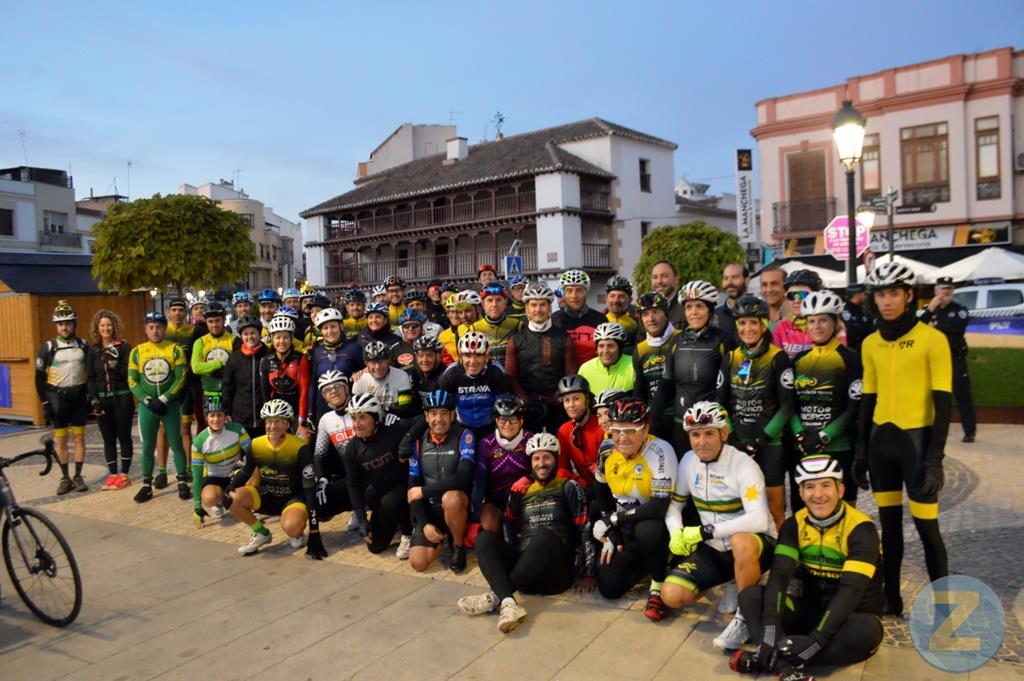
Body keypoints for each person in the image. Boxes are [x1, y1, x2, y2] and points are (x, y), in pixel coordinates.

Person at [732, 455, 883, 680]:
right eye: (810, 487)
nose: (818, 495)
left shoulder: (861, 530)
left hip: (850, 617)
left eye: (826, 485)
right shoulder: (794, 524)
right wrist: (772, 629)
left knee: (868, 630)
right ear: (801, 493)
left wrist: (815, 642)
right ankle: (782, 663)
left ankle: (769, 658)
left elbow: (850, 592)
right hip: (812, 612)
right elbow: (780, 576)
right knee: (750, 595)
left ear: (841, 490)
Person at [854, 260, 950, 616]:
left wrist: (935, 460)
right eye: (880, 294)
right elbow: (868, 399)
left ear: (909, 295)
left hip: (917, 444)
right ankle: (891, 598)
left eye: (893, 293)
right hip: (882, 443)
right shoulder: (870, 343)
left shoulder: (933, 339)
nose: (887, 301)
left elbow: (944, 404)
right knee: (890, 529)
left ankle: (944, 607)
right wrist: (861, 450)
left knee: (928, 530)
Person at [458, 432, 594, 633]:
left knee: (543, 535)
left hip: (556, 573)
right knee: (484, 539)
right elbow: (508, 526)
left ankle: (495, 597)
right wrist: (512, 556)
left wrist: (588, 573)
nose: (541, 463)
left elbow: (585, 528)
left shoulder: (568, 487)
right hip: (526, 574)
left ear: (556, 459)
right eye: (536, 458)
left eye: (547, 458)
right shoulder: (520, 490)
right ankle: (508, 601)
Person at [591, 398, 676, 620]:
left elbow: (658, 507)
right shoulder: (606, 449)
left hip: (655, 525)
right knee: (609, 588)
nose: (622, 438)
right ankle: (649, 563)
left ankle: (658, 584)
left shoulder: (661, 450)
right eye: (616, 431)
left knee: (648, 529)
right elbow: (600, 489)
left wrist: (615, 520)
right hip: (626, 525)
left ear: (645, 429)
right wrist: (612, 529)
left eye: (630, 431)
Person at [717, 295, 795, 530]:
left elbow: (787, 406)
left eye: (753, 322)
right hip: (738, 444)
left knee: (776, 511)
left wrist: (761, 440)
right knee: (742, 509)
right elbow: (720, 403)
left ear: (763, 325)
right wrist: (733, 438)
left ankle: (781, 552)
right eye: (742, 323)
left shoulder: (777, 357)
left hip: (770, 446)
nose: (747, 328)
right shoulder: (732, 358)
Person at [790, 291, 862, 507]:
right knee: (802, 509)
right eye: (812, 321)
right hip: (803, 447)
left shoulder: (850, 358)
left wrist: (824, 436)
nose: (817, 326)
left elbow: (853, 407)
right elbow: (790, 404)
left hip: (838, 447)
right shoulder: (799, 359)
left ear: (836, 322)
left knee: (843, 509)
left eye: (823, 320)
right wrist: (800, 434)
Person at [226, 399, 322, 556]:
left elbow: (309, 489)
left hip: (293, 499)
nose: (272, 426)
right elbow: (245, 472)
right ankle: (261, 533)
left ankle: (297, 534)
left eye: (278, 422)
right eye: (269, 421)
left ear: (287, 424)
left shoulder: (299, 447)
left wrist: (314, 532)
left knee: (291, 527)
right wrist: (228, 489)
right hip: (267, 495)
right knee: (233, 498)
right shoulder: (255, 444)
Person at [650, 280, 729, 452]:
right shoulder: (677, 342)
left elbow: (726, 390)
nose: (693, 312)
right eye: (688, 307)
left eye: (699, 306)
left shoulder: (723, 341)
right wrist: (650, 419)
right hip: (681, 424)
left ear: (710, 309)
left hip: (711, 427)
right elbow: (666, 384)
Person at [404, 390, 477, 573]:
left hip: (456, 504)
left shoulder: (465, 435)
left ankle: (458, 546)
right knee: (418, 563)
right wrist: (425, 524)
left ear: (452, 415)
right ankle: (442, 535)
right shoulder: (417, 442)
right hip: (431, 508)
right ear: (426, 417)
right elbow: (413, 489)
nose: (439, 419)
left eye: (444, 413)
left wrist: (424, 491)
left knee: (451, 498)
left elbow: (463, 477)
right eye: (433, 413)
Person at [341, 393, 415, 558]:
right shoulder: (352, 448)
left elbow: (421, 420)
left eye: (362, 417)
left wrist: (406, 440)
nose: (357, 424)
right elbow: (352, 485)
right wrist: (362, 519)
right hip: (384, 496)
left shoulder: (392, 429)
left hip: (407, 489)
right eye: (353, 418)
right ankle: (397, 521)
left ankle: (408, 532)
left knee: (390, 501)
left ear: (375, 418)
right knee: (375, 546)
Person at [129, 311, 190, 503]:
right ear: (146, 330)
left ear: (164, 329)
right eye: (151, 327)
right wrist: (147, 400)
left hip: (169, 405)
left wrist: (164, 398)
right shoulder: (137, 351)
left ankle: (182, 480)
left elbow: (181, 378)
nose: (155, 331)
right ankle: (147, 484)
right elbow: (132, 380)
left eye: (159, 327)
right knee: (148, 446)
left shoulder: (175, 350)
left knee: (176, 443)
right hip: (147, 407)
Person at [504, 283, 579, 434]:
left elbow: (571, 374)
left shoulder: (564, 338)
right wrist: (525, 401)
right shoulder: (516, 340)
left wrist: (556, 397)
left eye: (543, 305)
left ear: (550, 308)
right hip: (526, 407)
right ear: (527, 309)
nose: (538, 309)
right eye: (533, 305)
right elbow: (511, 377)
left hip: (557, 406)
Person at [36, 301, 90, 495]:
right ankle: (65, 478)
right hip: (57, 399)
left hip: (78, 398)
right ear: (56, 326)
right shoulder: (48, 347)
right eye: (60, 324)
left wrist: (91, 397)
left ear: (74, 324)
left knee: (79, 438)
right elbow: (38, 378)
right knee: (61, 440)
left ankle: (78, 476)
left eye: (67, 323)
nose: (64, 327)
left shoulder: (83, 345)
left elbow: (91, 373)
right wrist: (44, 403)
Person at [919, 276, 975, 442]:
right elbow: (918, 328)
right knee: (935, 398)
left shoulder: (959, 310)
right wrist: (930, 310)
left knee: (963, 396)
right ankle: (934, 430)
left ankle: (969, 432)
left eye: (949, 289)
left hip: (955, 359)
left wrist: (935, 328)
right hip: (935, 361)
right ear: (936, 291)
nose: (946, 292)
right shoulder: (930, 310)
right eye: (943, 288)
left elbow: (957, 328)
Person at [86, 309, 134, 491]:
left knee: (124, 436)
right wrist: (94, 399)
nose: (106, 328)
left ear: (114, 327)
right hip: (103, 400)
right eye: (102, 325)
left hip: (122, 397)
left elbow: (129, 372)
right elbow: (90, 377)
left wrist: (115, 364)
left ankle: (125, 475)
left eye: (109, 325)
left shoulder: (124, 347)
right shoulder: (93, 350)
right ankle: (113, 474)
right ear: (97, 328)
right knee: (108, 439)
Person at [473, 395, 532, 533]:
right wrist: (475, 516)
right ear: (496, 420)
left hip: (526, 498)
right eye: (503, 419)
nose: (507, 424)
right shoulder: (486, 444)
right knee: (489, 524)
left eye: (513, 419)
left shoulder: (531, 439)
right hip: (495, 501)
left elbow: (539, 472)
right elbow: (479, 481)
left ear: (521, 420)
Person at [190, 396, 252, 527]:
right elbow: (197, 475)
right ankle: (219, 502)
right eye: (212, 415)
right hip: (215, 477)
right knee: (209, 498)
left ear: (225, 417)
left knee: (253, 470)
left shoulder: (237, 429)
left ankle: (248, 503)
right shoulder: (199, 442)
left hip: (235, 475)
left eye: (219, 415)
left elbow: (252, 454)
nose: (216, 419)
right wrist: (197, 507)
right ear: (206, 417)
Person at [308, 370, 357, 537]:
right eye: (328, 389)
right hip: (349, 475)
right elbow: (319, 453)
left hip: (371, 469)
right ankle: (357, 507)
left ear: (346, 388)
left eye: (338, 386)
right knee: (319, 505)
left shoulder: (360, 407)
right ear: (324, 397)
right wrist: (323, 478)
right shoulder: (326, 419)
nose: (334, 391)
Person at [438, 331, 510, 440]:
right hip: (461, 427)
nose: (472, 361)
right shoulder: (451, 374)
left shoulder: (496, 372)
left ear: (486, 356)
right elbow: (444, 409)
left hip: (491, 427)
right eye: (467, 355)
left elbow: (503, 408)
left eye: (478, 355)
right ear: (460, 356)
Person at [306, 307, 363, 424]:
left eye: (333, 326)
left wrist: (359, 373)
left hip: (349, 403)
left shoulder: (353, 347)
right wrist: (310, 411)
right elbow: (312, 383)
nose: (330, 331)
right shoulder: (316, 351)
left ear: (341, 326)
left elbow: (364, 371)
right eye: (325, 328)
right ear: (321, 331)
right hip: (323, 405)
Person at [259, 314, 312, 439]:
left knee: (302, 441)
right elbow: (265, 393)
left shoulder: (301, 359)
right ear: (272, 339)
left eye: (285, 337)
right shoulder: (265, 361)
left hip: (297, 409)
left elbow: (304, 391)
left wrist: (302, 420)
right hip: (276, 411)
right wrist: (269, 418)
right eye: (277, 337)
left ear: (291, 338)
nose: (281, 341)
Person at [631, 292, 679, 424]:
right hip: (654, 419)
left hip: (681, 416)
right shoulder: (640, 349)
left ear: (666, 314)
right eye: (645, 314)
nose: (651, 319)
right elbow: (639, 392)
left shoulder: (682, 339)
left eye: (656, 312)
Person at [555, 374, 604, 491]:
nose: (571, 405)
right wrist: (580, 483)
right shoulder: (564, 430)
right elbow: (562, 468)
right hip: (582, 488)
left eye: (576, 399)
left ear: (587, 399)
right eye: (566, 400)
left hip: (606, 483)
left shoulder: (601, 424)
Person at [221, 316, 268, 438]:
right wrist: (226, 411)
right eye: (245, 334)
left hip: (264, 416)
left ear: (259, 334)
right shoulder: (234, 358)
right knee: (243, 448)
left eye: (253, 333)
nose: (249, 337)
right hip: (241, 416)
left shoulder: (268, 355)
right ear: (241, 336)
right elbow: (227, 386)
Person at [459, 282, 521, 369]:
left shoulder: (517, 325)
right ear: (483, 304)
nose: (494, 304)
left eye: (499, 300)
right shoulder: (474, 328)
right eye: (490, 300)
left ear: (505, 302)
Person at [553, 269, 607, 365]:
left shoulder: (600, 319)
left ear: (586, 292)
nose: (574, 296)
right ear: (563, 294)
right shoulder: (554, 319)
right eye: (569, 291)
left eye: (579, 290)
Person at [352, 340, 415, 418]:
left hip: (396, 419)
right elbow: (355, 410)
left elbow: (405, 406)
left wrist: (383, 409)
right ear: (366, 364)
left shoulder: (402, 376)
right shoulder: (360, 380)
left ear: (388, 361)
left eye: (381, 361)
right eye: (373, 362)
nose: (377, 367)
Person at [191, 302, 237, 402]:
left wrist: (207, 367)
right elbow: (196, 367)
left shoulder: (235, 340)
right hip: (209, 393)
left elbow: (238, 368)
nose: (214, 325)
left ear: (224, 320)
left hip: (231, 392)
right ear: (206, 322)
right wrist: (219, 364)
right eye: (210, 321)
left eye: (217, 321)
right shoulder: (200, 342)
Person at [772, 269, 823, 360]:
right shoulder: (781, 328)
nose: (796, 300)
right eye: (791, 296)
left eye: (803, 295)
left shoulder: (829, 326)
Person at [578, 322, 634, 395]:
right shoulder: (585, 369)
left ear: (620, 348)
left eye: (610, 346)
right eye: (601, 346)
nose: (605, 351)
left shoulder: (634, 364)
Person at [716, 262, 749, 349]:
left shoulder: (759, 311)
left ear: (746, 280)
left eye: (735, 277)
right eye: (726, 278)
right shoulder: (714, 314)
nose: (729, 282)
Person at [604, 275, 639, 354]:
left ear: (630, 300)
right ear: (606, 299)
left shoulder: (637, 322)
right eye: (612, 296)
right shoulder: (598, 319)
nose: (616, 300)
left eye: (621, 296)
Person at [409, 335, 446, 407]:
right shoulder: (415, 372)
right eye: (421, 356)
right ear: (416, 358)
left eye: (429, 355)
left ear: (438, 357)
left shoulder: (446, 376)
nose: (425, 360)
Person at [650, 260, 685, 327]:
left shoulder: (686, 307)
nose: (659, 281)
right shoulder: (647, 309)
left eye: (664, 276)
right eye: (655, 277)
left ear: (676, 279)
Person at [392, 308, 427, 373]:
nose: (410, 329)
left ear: (421, 327)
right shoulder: (394, 349)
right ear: (402, 329)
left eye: (414, 326)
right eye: (406, 326)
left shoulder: (431, 345)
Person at [841, 282, 873, 352]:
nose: (866, 297)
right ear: (857, 295)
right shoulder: (844, 313)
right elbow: (851, 334)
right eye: (864, 294)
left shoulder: (863, 311)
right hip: (853, 352)